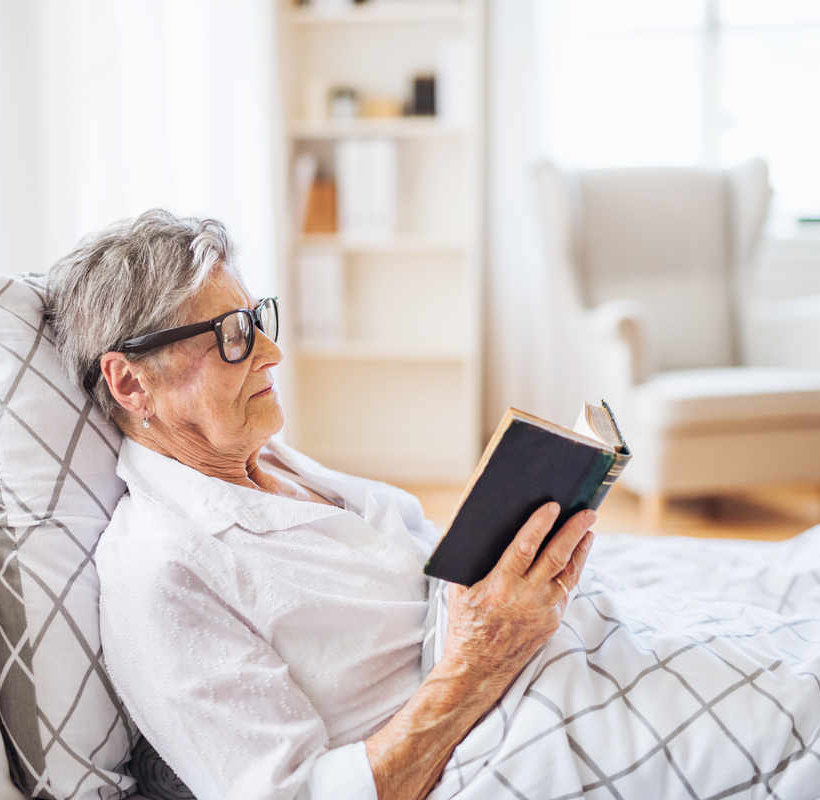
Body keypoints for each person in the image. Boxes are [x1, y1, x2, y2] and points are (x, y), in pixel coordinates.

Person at [47, 209, 595, 800]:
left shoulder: (262, 457)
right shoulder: (160, 573)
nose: (272, 352)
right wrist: (477, 662)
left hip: (564, 654)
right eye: (231, 336)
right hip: (523, 732)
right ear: (131, 385)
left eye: (256, 320)